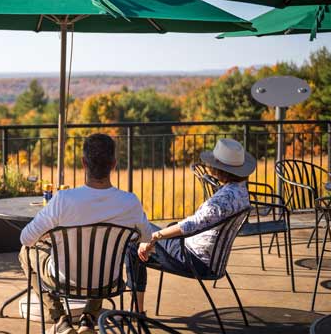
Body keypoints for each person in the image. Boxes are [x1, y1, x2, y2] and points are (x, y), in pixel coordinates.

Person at [20, 133, 153, 334]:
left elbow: (26, 238)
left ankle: (60, 319)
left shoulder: (63, 199)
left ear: (84, 163)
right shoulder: (130, 202)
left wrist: (51, 236)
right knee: (99, 259)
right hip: (108, 281)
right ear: (114, 164)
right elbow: (146, 238)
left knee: (25, 252)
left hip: (63, 280)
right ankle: (88, 319)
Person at [126, 138, 255, 313]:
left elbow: (191, 225)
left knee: (134, 240)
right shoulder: (241, 191)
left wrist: (152, 238)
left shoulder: (222, 200)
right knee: (150, 232)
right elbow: (197, 223)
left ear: (220, 169)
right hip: (214, 260)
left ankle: (136, 311)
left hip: (194, 260)